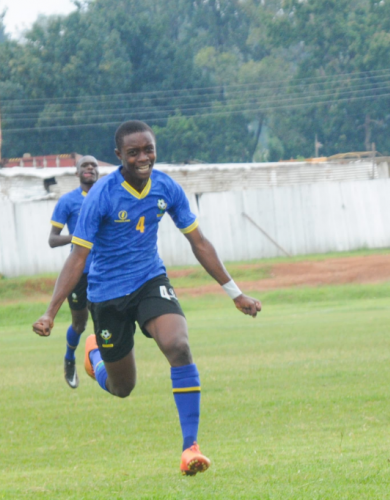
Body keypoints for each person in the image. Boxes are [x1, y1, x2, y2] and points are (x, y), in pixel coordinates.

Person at [32, 120, 262, 476]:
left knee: (179, 345)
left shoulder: (166, 187)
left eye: (148, 149)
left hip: (149, 281)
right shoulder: (101, 196)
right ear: (119, 156)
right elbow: (78, 258)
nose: (143, 157)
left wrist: (235, 292)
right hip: (107, 295)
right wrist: (50, 312)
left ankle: (191, 448)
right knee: (123, 387)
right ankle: (95, 356)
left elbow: (198, 242)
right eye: (134, 152)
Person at [48, 155, 100, 389]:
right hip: (79, 271)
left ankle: (101, 363)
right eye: (84, 166)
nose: (90, 168)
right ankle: (70, 358)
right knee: (79, 324)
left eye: (94, 165)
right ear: (77, 173)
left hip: (104, 269)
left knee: (104, 318)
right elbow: (52, 239)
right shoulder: (67, 202)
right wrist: (77, 237)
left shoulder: (106, 197)